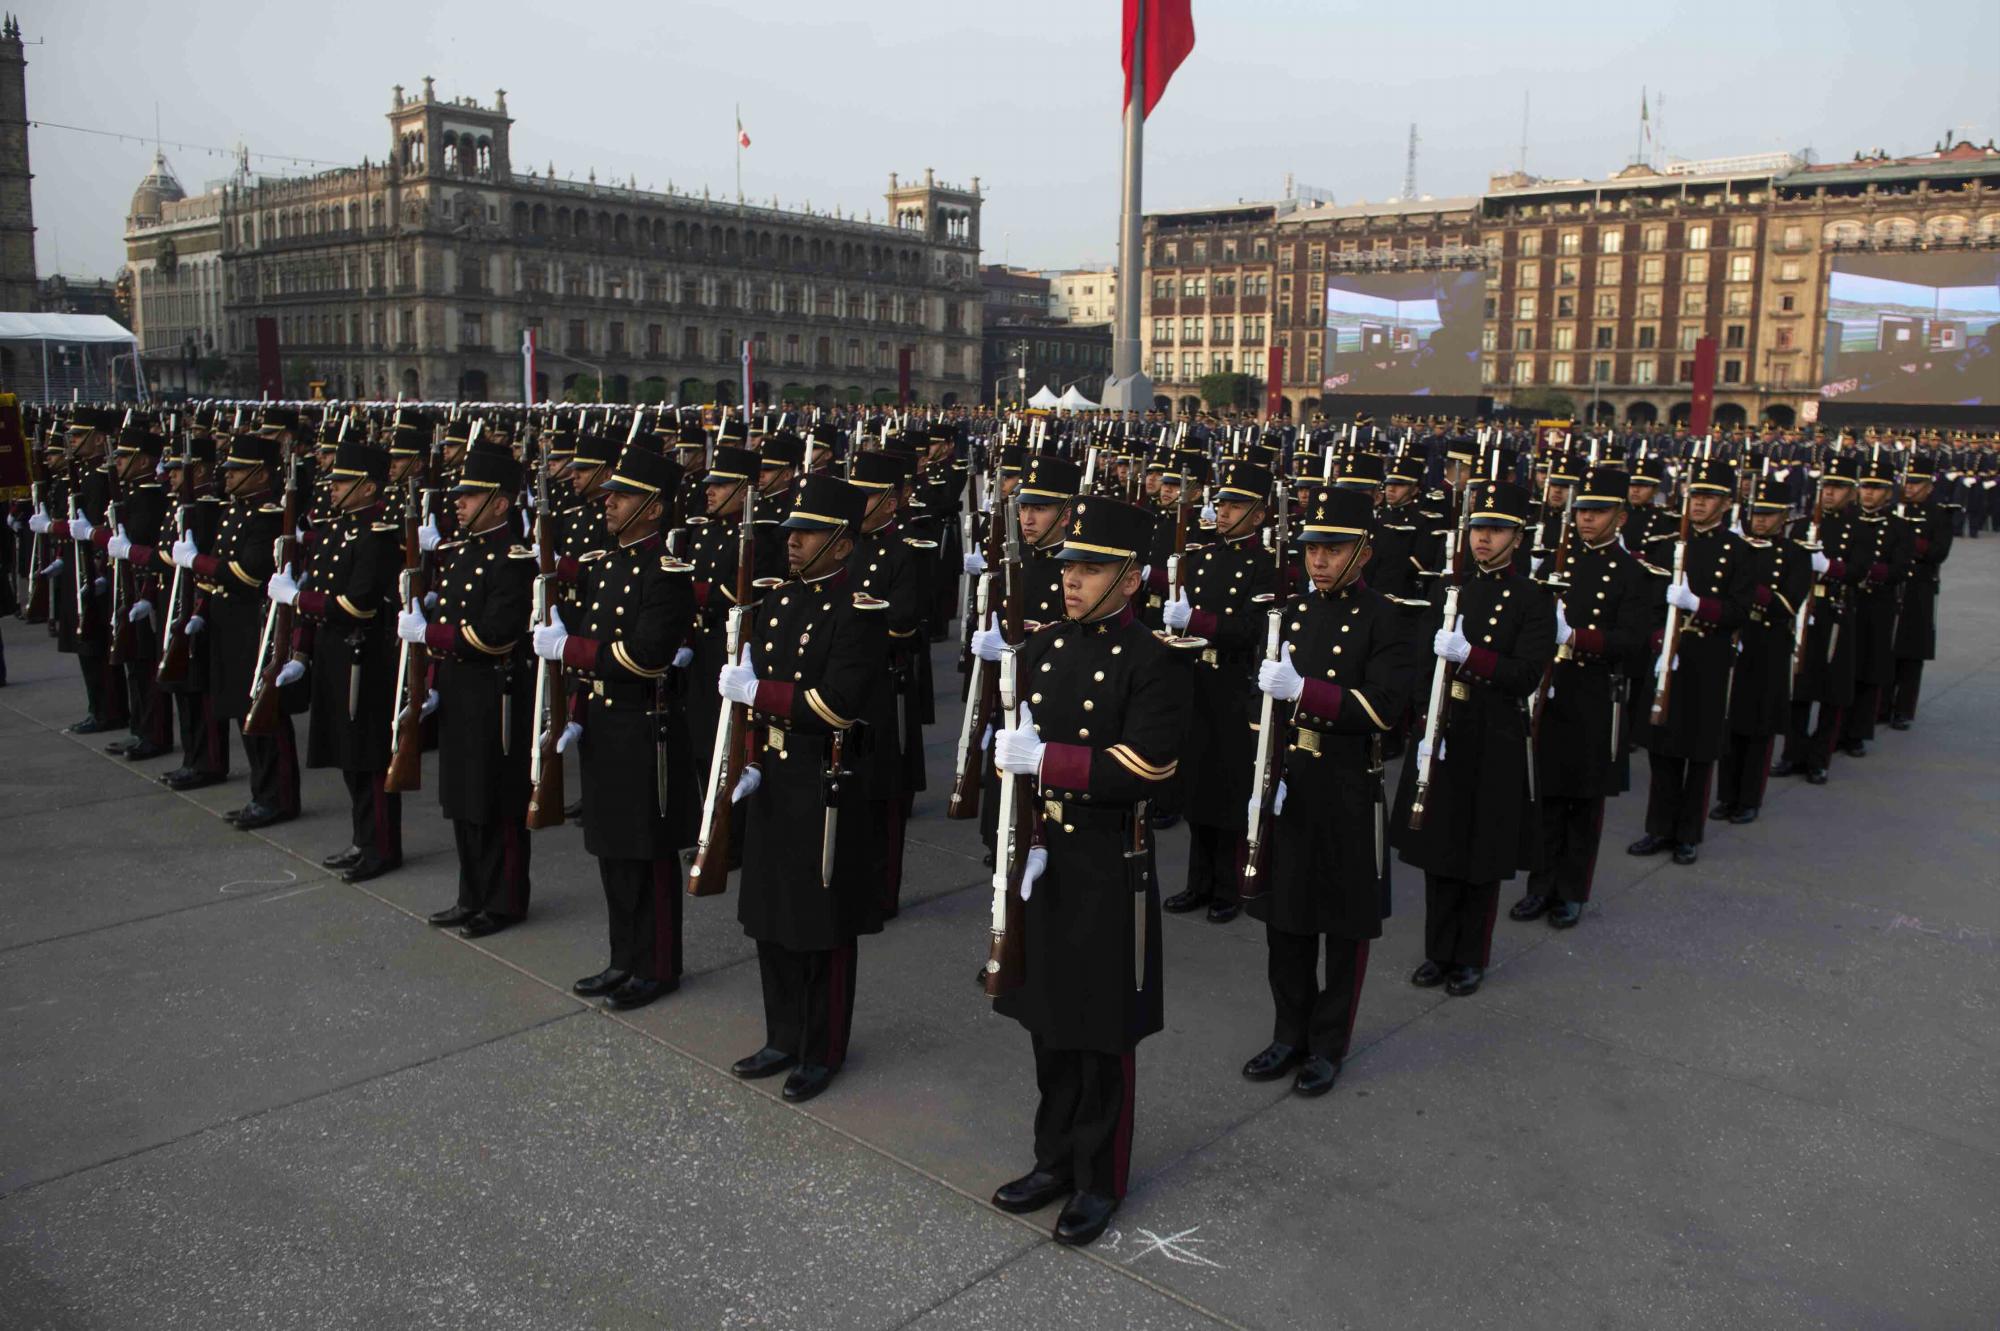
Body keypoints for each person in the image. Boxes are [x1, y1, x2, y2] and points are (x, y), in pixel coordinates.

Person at [987, 495, 1189, 1247]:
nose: (1071, 578)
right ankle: (1054, 1159)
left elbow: (1149, 764)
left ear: (1130, 579)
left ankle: (1099, 1178)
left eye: (1092, 568)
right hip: (1047, 856)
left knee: (1101, 1032)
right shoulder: (1043, 648)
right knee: (1048, 1020)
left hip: (1108, 860)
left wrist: (1048, 760)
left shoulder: (1153, 661)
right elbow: (1014, 748)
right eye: (1070, 564)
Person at [1241, 483, 1413, 1095]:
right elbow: (1260, 702)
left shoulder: (1386, 617)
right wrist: (1263, 769)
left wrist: (1305, 693)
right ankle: (1289, 1033)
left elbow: (1385, 708)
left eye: (1333, 549)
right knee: (1285, 920)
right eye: (1313, 548)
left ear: (1363, 552)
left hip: (1346, 784)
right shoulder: (1289, 614)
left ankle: (1327, 1044)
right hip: (1292, 779)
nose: (1318, 559)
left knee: (1342, 927)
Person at [722, 473, 888, 1104]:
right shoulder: (777, 601)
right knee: (771, 915)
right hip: (774, 773)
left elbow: (837, 702)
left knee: (822, 925)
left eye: (809, 532)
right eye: (792, 531)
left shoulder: (858, 613)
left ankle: (822, 1048)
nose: (792, 541)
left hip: (825, 780)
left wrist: (758, 693)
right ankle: (782, 1035)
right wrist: (747, 754)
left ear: (842, 543)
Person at [535, 443, 697, 1010]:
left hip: (644, 725)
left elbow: (646, 655)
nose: (608, 503)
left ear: (653, 508)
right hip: (605, 722)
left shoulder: (665, 573)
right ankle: (623, 957)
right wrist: (575, 715)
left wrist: (570, 649)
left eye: (621, 496)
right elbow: (595, 644)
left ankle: (658, 966)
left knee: (647, 853)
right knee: (611, 850)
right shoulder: (607, 565)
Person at [1390, 478, 1553, 998]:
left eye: (1497, 530)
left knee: (1481, 853)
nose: (1484, 538)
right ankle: (1438, 950)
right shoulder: (1447, 589)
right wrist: (1424, 721)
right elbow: (1420, 661)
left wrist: (1471, 656)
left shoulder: (1532, 599)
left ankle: (1470, 957)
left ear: (1517, 538)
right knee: (1439, 847)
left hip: (1493, 733)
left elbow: (1526, 674)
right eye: (1479, 527)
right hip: (1446, 728)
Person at [399, 443, 536, 938]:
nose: (458, 503)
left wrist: (429, 635)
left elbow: (494, 634)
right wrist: (432, 681)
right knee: (462, 797)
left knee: (495, 800)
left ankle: (504, 900)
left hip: (495, 692)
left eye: (470, 495)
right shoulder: (464, 551)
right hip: (460, 687)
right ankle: (471, 893)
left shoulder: (513, 560)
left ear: (499, 503)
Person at [1510, 465, 1653, 926]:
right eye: (1583, 511)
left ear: (1620, 517)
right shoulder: (1560, 560)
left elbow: (1633, 640)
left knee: (1584, 801)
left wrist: (1577, 637)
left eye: (1598, 511)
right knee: (1547, 794)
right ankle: (1540, 886)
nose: (1587, 519)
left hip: (1594, 691)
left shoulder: (1631, 573)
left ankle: (1571, 891)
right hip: (1553, 686)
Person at [277, 438, 404, 883]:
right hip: (334, 653)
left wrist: (299, 600)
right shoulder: (335, 529)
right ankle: (362, 839)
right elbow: (321, 589)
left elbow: (358, 604)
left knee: (368, 759)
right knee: (349, 759)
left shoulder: (378, 536)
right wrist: (300, 650)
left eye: (343, 481)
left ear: (368, 487)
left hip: (363, 657)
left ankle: (381, 846)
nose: (332, 487)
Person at [1161, 458, 1278, 924]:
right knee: (1196, 785)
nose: (1223, 512)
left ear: (1259, 514)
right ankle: (1199, 882)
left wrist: (1196, 620)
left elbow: (1252, 630)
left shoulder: (1265, 566)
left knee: (1228, 789)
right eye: (1222, 503)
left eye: (1235, 505)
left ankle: (1228, 886)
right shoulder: (1202, 555)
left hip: (1233, 682)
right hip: (1198, 680)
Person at [1627, 455, 1755, 866]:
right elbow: (1645, 605)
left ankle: (1688, 833)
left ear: (1726, 503)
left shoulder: (1739, 551)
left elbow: (1740, 610)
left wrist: (1698, 604)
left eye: (1709, 496)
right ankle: (1658, 827)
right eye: (1695, 494)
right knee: (1662, 745)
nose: (1699, 502)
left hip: (1707, 655)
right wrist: (1659, 639)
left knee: (1698, 750)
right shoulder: (1668, 545)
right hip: (1669, 655)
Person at [180, 429, 301, 830]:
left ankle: (278, 797)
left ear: (261, 475)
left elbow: (249, 573)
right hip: (227, 619)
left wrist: (198, 563)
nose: (227, 475)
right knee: (242, 711)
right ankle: (261, 793)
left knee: (264, 714)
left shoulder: (267, 516)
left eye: (237, 470)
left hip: (253, 623)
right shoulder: (236, 510)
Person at [1712, 474, 1813, 825]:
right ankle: (1727, 795)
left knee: (1759, 727)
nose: (1760, 520)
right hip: (1734, 640)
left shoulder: (1794, 555)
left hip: (1768, 644)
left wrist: (1746, 584)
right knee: (1730, 722)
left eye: (1768, 514)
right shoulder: (1736, 548)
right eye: (1756, 512)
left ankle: (1749, 798)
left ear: (1784, 516)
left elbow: (1786, 605)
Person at [1835, 449, 1912, 758]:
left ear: (1888, 493)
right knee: (1842, 669)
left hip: (1877, 603)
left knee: (1869, 670)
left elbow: (1900, 569)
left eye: (1877, 488)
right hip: (1847, 601)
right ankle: (1835, 729)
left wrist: (1866, 569)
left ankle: (1857, 732)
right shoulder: (1846, 521)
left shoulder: (1899, 527)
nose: (1869, 493)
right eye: (1865, 486)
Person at [1888, 449, 1956, 728]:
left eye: (1916, 483)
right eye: (1908, 482)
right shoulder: (1895, 510)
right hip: (1892, 584)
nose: (1910, 488)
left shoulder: (1938, 515)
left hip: (1919, 585)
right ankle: (1882, 704)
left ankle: (1904, 708)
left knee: (1912, 650)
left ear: (1929, 486)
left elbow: (1939, 552)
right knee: (1887, 646)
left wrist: (1908, 541)